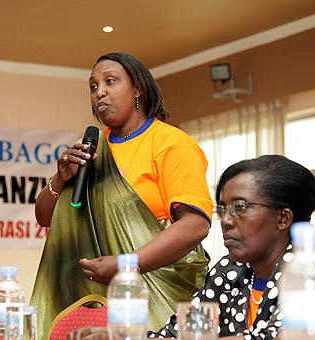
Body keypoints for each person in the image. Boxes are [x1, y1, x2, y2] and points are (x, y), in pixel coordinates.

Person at [31, 52, 213, 338]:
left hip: (154, 295)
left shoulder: (171, 144)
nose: (99, 92)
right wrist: (61, 177)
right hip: (88, 299)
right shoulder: (90, 149)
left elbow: (195, 224)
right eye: (93, 86)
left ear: (138, 88)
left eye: (110, 82)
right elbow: (44, 217)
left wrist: (127, 265)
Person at [149, 155, 315, 339]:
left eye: (240, 207)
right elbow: (176, 334)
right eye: (222, 210)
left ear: (282, 218)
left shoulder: (309, 273)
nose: (225, 221)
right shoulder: (228, 270)